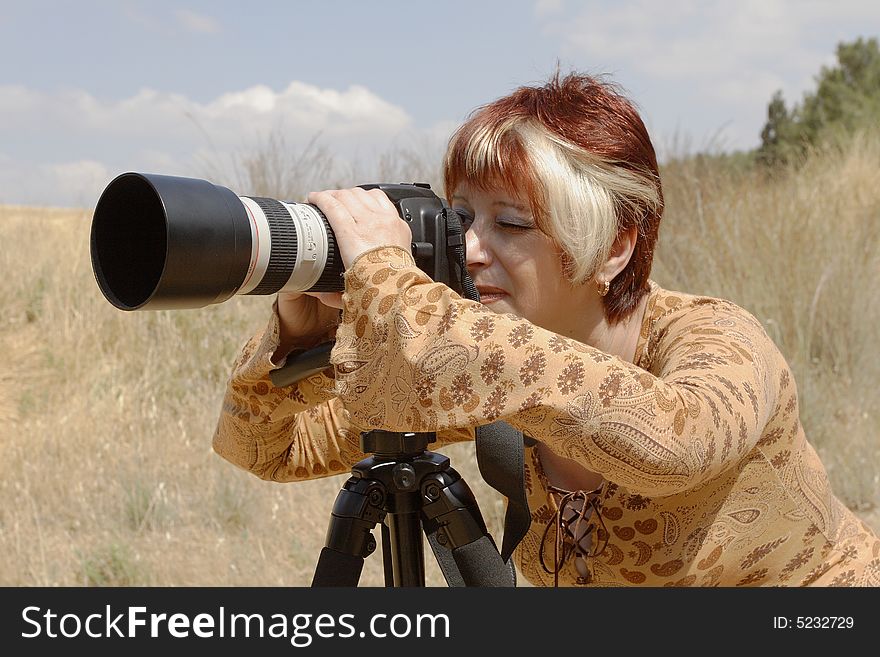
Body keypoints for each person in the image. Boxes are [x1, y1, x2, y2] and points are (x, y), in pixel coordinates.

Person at [213, 71, 880, 587]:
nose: (471, 249)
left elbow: (673, 439)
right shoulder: (489, 373)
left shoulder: (717, 340)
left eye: (510, 224)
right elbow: (271, 447)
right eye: (460, 218)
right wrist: (299, 332)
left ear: (615, 247)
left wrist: (399, 293)